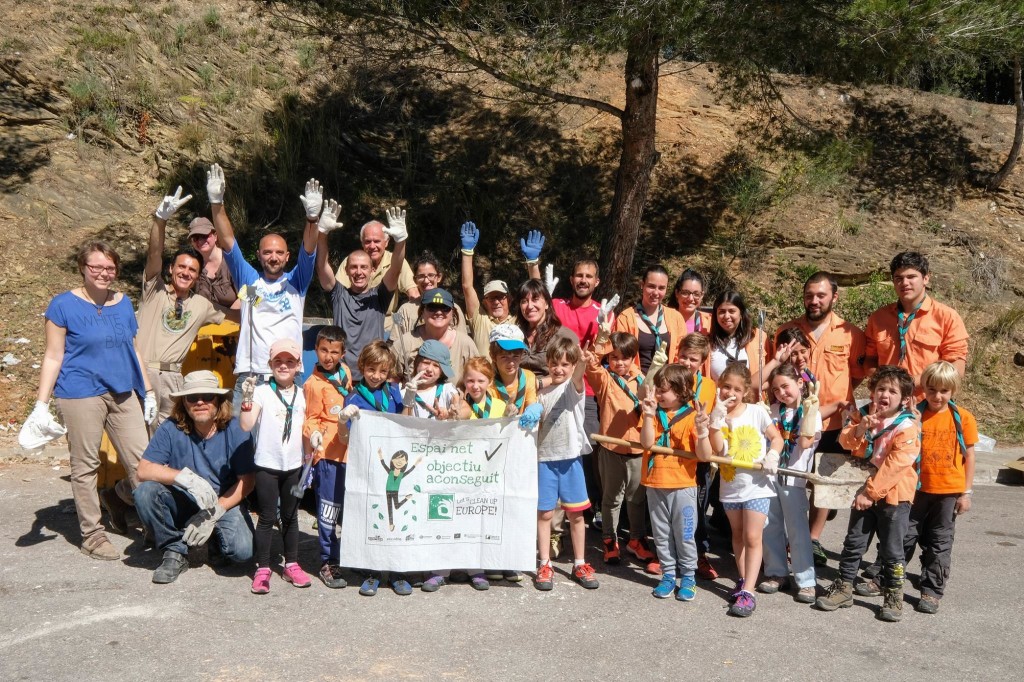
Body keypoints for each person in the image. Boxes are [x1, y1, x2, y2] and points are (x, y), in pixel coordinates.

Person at [27, 241, 155, 560]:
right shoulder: (62, 306)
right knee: (86, 465)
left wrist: (149, 390)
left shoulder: (124, 303)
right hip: (80, 392)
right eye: (96, 267)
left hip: (124, 391)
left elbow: (135, 350)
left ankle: (155, 523)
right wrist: (41, 404)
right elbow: (54, 356)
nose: (103, 273)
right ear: (82, 268)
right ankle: (93, 534)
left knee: (143, 462)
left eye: (109, 267)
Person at [772, 272, 867, 565]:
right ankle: (784, 535)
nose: (814, 301)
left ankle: (812, 538)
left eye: (821, 295)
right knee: (790, 478)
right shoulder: (786, 331)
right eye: (809, 295)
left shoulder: (851, 334)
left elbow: (858, 373)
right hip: (793, 422)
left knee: (823, 484)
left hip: (833, 422)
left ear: (834, 297)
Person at [206, 164, 319, 410]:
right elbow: (227, 242)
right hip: (251, 376)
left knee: (286, 443)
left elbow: (309, 250)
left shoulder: (296, 282)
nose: (273, 257)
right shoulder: (250, 281)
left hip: (289, 373)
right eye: (268, 252)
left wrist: (312, 218)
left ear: (288, 256)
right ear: (258, 255)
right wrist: (217, 203)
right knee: (243, 442)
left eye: (279, 253)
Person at [816, 366, 920, 622]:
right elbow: (844, 442)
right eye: (880, 389)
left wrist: (871, 493)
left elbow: (896, 465)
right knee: (853, 543)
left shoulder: (907, 427)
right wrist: (861, 428)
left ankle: (893, 595)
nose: (885, 395)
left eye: (892, 391)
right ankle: (843, 588)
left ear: (904, 399)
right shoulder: (864, 415)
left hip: (893, 496)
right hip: (864, 492)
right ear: (872, 392)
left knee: (893, 549)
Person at [133, 370, 255, 584]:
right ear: (184, 402)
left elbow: (248, 480)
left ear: (218, 400)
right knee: (145, 492)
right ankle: (175, 551)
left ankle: (216, 540)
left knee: (242, 552)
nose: (200, 402)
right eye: (192, 398)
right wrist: (183, 478)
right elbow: (143, 470)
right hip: (185, 499)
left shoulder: (235, 428)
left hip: (222, 501)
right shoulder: (171, 427)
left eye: (207, 396)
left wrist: (216, 511)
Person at [138, 187, 225, 430]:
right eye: (181, 267)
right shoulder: (153, 291)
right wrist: (160, 220)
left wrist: (256, 303)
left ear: (197, 277)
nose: (186, 273)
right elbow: (154, 255)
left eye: (192, 270)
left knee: (172, 436)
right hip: (144, 374)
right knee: (138, 439)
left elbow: (233, 316)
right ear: (171, 269)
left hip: (175, 379)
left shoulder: (201, 305)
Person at [710, 363, 784, 617]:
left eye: (737, 389)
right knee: (738, 535)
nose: (730, 393)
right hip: (730, 486)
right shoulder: (717, 415)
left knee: (753, 537)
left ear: (745, 392)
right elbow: (718, 449)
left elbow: (777, 437)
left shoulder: (755, 412)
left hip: (758, 486)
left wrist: (773, 455)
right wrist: (715, 421)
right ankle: (743, 580)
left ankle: (749, 592)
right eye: (726, 387)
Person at [903, 361, 977, 613]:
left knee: (939, 542)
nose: (937, 396)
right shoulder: (916, 414)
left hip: (948, 492)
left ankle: (931, 590)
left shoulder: (963, 419)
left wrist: (966, 493)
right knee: (904, 536)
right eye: (932, 389)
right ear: (923, 388)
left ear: (953, 390)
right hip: (915, 490)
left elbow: (970, 457)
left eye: (943, 391)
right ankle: (888, 578)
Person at [239, 339, 311, 594]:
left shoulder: (303, 394)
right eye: (278, 361)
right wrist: (246, 398)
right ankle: (263, 567)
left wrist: (311, 446)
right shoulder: (260, 391)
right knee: (268, 517)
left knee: (291, 517)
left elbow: (307, 427)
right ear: (270, 365)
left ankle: (291, 563)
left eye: (289, 361)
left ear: (298, 366)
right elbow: (246, 425)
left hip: (293, 466)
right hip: (267, 465)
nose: (283, 366)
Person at [638, 363, 715, 601]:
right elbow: (647, 444)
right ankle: (668, 574)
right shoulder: (654, 413)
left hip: (683, 486)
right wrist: (649, 415)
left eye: (664, 390)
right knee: (661, 534)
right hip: (655, 483)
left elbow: (704, 456)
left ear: (682, 391)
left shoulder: (693, 417)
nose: (658, 395)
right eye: (657, 389)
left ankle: (689, 576)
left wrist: (702, 432)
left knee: (684, 534)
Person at [516, 278, 580, 558]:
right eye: (524, 301)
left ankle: (554, 534)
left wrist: (536, 385)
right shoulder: (516, 331)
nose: (529, 306)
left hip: (552, 404)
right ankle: (524, 533)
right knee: (528, 474)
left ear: (546, 302)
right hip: (523, 406)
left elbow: (570, 373)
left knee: (552, 472)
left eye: (535, 300)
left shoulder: (560, 333)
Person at [532, 336, 599, 591]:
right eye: (554, 363)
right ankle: (545, 562)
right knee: (545, 513)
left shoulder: (573, 388)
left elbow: (579, 374)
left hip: (571, 460)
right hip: (544, 460)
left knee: (576, 514)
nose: (558, 369)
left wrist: (582, 362)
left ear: (572, 367)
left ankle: (579, 562)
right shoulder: (540, 394)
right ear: (548, 364)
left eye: (564, 364)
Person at [315, 201, 409, 379]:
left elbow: (396, 268)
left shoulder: (379, 296)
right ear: (347, 270)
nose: (359, 272)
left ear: (372, 270)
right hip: (341, 376)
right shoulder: (338, 295)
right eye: (354, 267)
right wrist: (322, 234)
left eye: (364, 267)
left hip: (372, 377)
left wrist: (401, 241)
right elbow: (321, 266)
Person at [583, 332, 653, 569]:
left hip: (637, 450)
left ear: (634, 358)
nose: (619, 363)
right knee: (612, 499)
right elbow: (591, 363)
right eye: (614, 358)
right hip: (611, 448)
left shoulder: (644, 380)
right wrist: (602, 344)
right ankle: (609, 539)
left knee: (636, 498)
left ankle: (636, 539)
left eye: (624, 358)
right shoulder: (605, 379)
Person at [343, 341, 407, 596]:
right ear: (362, 367)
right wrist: (343, 419)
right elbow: (346, 437)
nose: (376, 376)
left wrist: (409, 399)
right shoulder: (354, 397)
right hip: (367, 467)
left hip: (393, 468)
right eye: (371, 369)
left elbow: (405, 423)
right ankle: (371, 572)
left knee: (396, 520)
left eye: (382, 371)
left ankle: (397, 571)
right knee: (372, 519)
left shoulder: (393, 393)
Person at [302, 325, 359, 589]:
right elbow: (311, 418)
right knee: (328, 510)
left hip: (350, 451)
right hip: (327, 454)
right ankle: (328, 560)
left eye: (334, 352)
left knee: (351, 507)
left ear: (342, 353)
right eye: (323, 350)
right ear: (316, 350)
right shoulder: (313, 384)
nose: (328, 357)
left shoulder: (345, 372)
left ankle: (353, 555)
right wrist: (313, 435)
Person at [760, 363, 822, 604]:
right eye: (775, 390)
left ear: (800, 383)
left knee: (797, 530)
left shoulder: (811, 411)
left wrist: (808, 413)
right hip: (769, 474)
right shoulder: (772, 410)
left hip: (794, 477)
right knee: (769, 524)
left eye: (785, 386)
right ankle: (776, 571)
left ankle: (806, 580)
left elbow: (805, 443)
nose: (781, 393)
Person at [864, 251, 969, 394]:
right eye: (898, 278)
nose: (904, 283)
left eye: (911, 277)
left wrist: (911, 383)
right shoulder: (878, 318)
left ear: (926, 278)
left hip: (928, 405)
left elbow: (956, 367)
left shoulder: (947, 317)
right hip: (886, 407)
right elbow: (870, 359)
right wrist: (885, 385)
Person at [675, 332, 720, 580]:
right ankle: (670, 555)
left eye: (693, 359)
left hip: (699, 456)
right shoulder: (669, 379)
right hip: (673, 455)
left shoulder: (710, 386)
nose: (687, 363)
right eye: (683, 357)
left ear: (702, 362)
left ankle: (699, 554)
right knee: (673, 509)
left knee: (698, 510)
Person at [333, 213, 419, 327]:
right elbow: (337, 292)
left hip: (386, 321)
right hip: (354, 319)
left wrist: (416, 319)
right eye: (368, 242)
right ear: (362, 243)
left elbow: (413, 293)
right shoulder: (352, 261)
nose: (372, 246)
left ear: (386, 242)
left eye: (377, 241)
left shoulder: (397, 261)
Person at [391, 288, 479, 382]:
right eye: (432, 307)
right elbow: (391, 379)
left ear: (453, 312)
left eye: (445, 308)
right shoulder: (404, 342)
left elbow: (477, 379)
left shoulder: (465, 344)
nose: (438, 312)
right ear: (422, 311)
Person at [459, 221, 520, 354]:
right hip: (482, 375)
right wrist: (467, 252)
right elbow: (467, 286)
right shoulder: (480, 319)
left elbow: (537, 296)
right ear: (484, 302)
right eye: (491, 298)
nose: (496, 302)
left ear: (509, 299)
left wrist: (532, 263)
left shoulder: (519, 321)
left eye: (500, 297)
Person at [615, 265, 687, 375]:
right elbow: (620, 355)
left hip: (667, 384)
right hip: (636, 382)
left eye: (661, 288)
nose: (656, 293)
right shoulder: (626, 318)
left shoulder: (676, 318)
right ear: (642, 285)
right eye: (651, 286)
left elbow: (681, 353)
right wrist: (642, 381)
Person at [709, 290, 770, 396]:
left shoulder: (758, 337)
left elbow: (771, 373)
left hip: (751, 404)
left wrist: (756, 388)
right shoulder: (708, 342)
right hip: (718, 404)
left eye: (732, 311)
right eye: (722, 311)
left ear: (741, 313)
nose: (726, 316)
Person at [393, 251, 467, 336]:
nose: (426, 280)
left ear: (439, 277)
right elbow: (396, 342)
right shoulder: (405, 310)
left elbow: (461, 341)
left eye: (431, 275)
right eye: (421, 276)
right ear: (415, 280)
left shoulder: (451, 307)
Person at [186, 217, 239, 312]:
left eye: (204, 236)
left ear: (215, 236)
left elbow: (253, 294)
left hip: (235, 322)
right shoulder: (193, 266)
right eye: (196, 238)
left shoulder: (233, 261)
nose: (200, 241)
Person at [671, 268, 712, 335]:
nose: (690, 298)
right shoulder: (666, 319)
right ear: (677, 293)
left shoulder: (710, 322)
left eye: (696, 294)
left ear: (702, 295)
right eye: (685, 293)